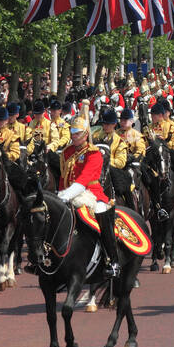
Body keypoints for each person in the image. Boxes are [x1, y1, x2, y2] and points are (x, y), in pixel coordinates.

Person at [58, 117, 121, 279]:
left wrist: (67, 194)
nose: (73, 135)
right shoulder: (67, 152)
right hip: (68, 193)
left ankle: (112, 260)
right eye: (72, 132)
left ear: (86, 135)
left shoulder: (93, 153)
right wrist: (60, 195)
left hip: (91, 194)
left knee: (101, 215)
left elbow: (84, 178)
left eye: (77, 133)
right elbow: (62, 177)